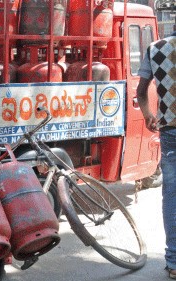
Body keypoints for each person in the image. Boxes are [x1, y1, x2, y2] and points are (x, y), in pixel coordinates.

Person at [136, 29, 176, 280]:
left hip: (170, 130)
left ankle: (173, 261)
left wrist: (148, 114)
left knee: (171, 194)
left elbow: (141, 91)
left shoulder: (156, 48)